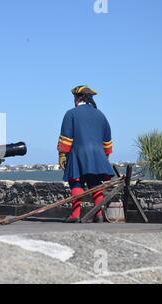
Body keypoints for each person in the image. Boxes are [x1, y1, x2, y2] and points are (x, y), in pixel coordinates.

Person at [57, 85, 115, 223]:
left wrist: (62, 155)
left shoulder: (71, 113)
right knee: (95, 183)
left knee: (75, 182)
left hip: (78, 153)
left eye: (75, 97)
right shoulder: (101, 115)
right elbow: (107, 140)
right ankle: (99, 214)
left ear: (79, 97)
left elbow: (66, 138)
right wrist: (106, 156)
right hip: (97, 155)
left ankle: (75, 215)